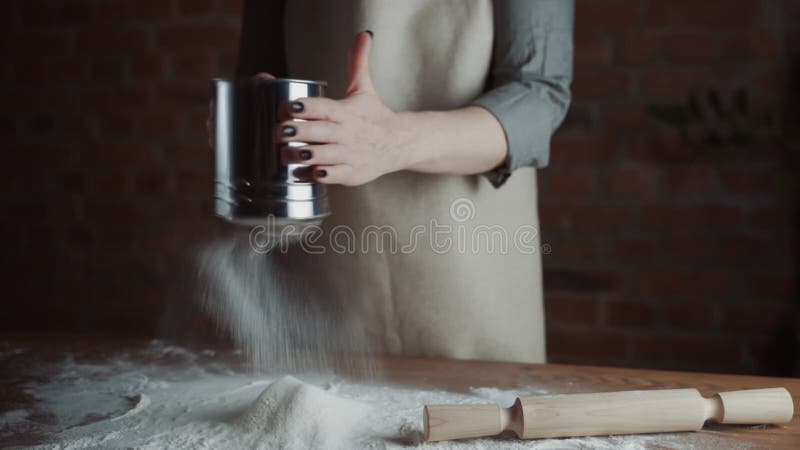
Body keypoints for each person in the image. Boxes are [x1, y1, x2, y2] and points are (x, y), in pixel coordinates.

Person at [234, 0, 574, 363]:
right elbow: (260, 73)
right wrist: (252, 115)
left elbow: (537, 94)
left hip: (468, 267)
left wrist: (394, 141)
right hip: (317, 271)